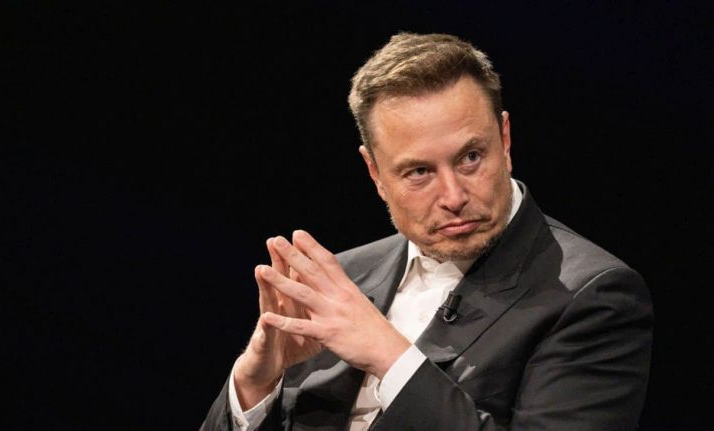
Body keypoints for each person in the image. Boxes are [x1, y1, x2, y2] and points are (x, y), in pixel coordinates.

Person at [201, 32, 652, 431]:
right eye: (419, 171)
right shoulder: (341, 281)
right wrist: (254, 384)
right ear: (375, 173)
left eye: (471, 157)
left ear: (505, 138)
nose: (453, 196)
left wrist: (390, 356)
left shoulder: (592, 295)